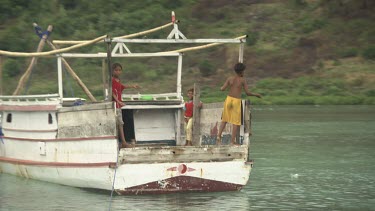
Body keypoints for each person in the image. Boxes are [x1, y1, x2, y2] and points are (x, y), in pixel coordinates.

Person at [217, 63, 261, 145]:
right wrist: (256, 95)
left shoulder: (230, 78)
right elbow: (247, 93)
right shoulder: (242, 80)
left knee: (225, 120)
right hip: (236, 101)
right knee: (235, 122)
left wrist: (221, 87)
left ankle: (218, 136)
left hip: (228, 99)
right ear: (242, 71)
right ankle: (232, 142)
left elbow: (222, 89)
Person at [112, 63, 140, 148]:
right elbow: (112, 93)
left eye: (120, 70)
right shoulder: (112, 80)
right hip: (115, 105)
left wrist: (132, 86)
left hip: (118, 105)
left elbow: (121, 87)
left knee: (120, 123)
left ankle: (122, 141)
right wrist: (118, 101)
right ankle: (123, 142)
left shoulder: (118, 80)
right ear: (112, 71)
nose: (118, 72)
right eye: (116, 70)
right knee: (120, 123)